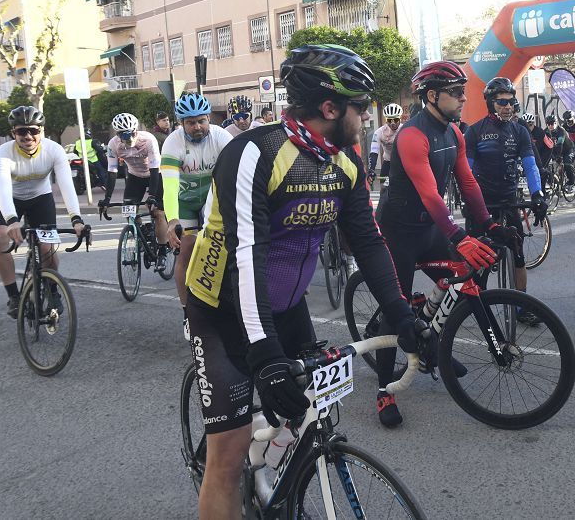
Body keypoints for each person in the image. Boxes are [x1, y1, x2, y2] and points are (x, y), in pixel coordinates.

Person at [183, 45, 424, 519]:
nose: (367, 114)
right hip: (224, 308)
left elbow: (370, 244)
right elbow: (247, 256)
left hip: (286, 306)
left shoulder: (346, 161)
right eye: (361, 105)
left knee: (308, 417)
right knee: (226, 457)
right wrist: (265, 355)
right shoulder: (255, 152)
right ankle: (237, 464)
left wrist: (402, 314)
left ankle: (270, 468)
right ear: (330, 108)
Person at [376, 60, 516, 427]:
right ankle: (384, 392)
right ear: (433, 95)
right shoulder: (411, 135)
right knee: (396, 313)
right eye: (456, 92)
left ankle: (433, 345)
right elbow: (429, 195)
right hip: (399, 232)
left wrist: (488, 223)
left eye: (462, 91)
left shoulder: (453, 133)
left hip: (428, 229)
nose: (462, 98)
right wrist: (459, 235)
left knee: (462, 275)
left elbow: (468, 184)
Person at [463, 77, 548, 322]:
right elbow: (466, 171)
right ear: (490, 103)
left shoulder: (520, 131)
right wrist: (468, 198)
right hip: (482, 201)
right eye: (502, 102)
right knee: (480, 259)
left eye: (511, 102)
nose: (508, 107)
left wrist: (537, 194)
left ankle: (522, 306)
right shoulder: (475, 131)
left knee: (518, 252)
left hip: (509, 198)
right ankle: (478, 304)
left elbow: (530, 165)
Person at [0, 106, 86, 317]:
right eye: (21, 131)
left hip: (40, 199)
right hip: (9, 200)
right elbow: (3, 189)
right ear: (13, 133)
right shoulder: (2, 154)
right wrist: (12, 220)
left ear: (42, 130)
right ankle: (14, 296)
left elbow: (66, 185)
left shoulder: (54, 150)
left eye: (33, 130)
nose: (28, 136)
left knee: (46, 247)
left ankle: (53, 292)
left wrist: (76, 218)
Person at [160, 93, 231, 337]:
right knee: (187, 248)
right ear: (181, 123)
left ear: (209, 118)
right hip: (186, 201)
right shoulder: (172, 143)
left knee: (223, 246)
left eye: (201, 120)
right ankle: (187, 312)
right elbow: (169, 187)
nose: (197, 126)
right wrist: (172, 221)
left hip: (213, 198)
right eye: (190, 122)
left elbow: (235, 175)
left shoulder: (222, 137)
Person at [99, 113, 167, 250]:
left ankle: (163, 249)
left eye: (132, 133)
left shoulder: (148, 139)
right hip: (135, 177)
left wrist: (152, 196)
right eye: (124, 135)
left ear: (136, 130)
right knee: (128, 211)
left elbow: (155, 169)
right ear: (118, 135)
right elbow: (112, 172)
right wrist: (106, 199)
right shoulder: (113, 144)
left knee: (158, 212)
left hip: (155, 174)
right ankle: (141, 233)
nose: (129, 138)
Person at [367, 103, 403, 184]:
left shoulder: (404, 129)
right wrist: (371, 169)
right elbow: (374, 152)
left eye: (396, 120)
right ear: (386, 120)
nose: (393, 123)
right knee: (384, 189)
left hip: (402, 163)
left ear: (400, 119)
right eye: (390, 120)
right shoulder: (379, 132)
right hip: (388, 163)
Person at [543, 114, 575, 188]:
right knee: (546, 165)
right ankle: (552, 182)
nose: (550, 125)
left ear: (556, 123)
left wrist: (557, 157)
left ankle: (571, 182)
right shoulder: (545, 132)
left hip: (568, 149)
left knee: (567, 164)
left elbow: (560, 144)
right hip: (555, 150)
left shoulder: (561, 131)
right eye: (548, 124)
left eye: (552, 123)